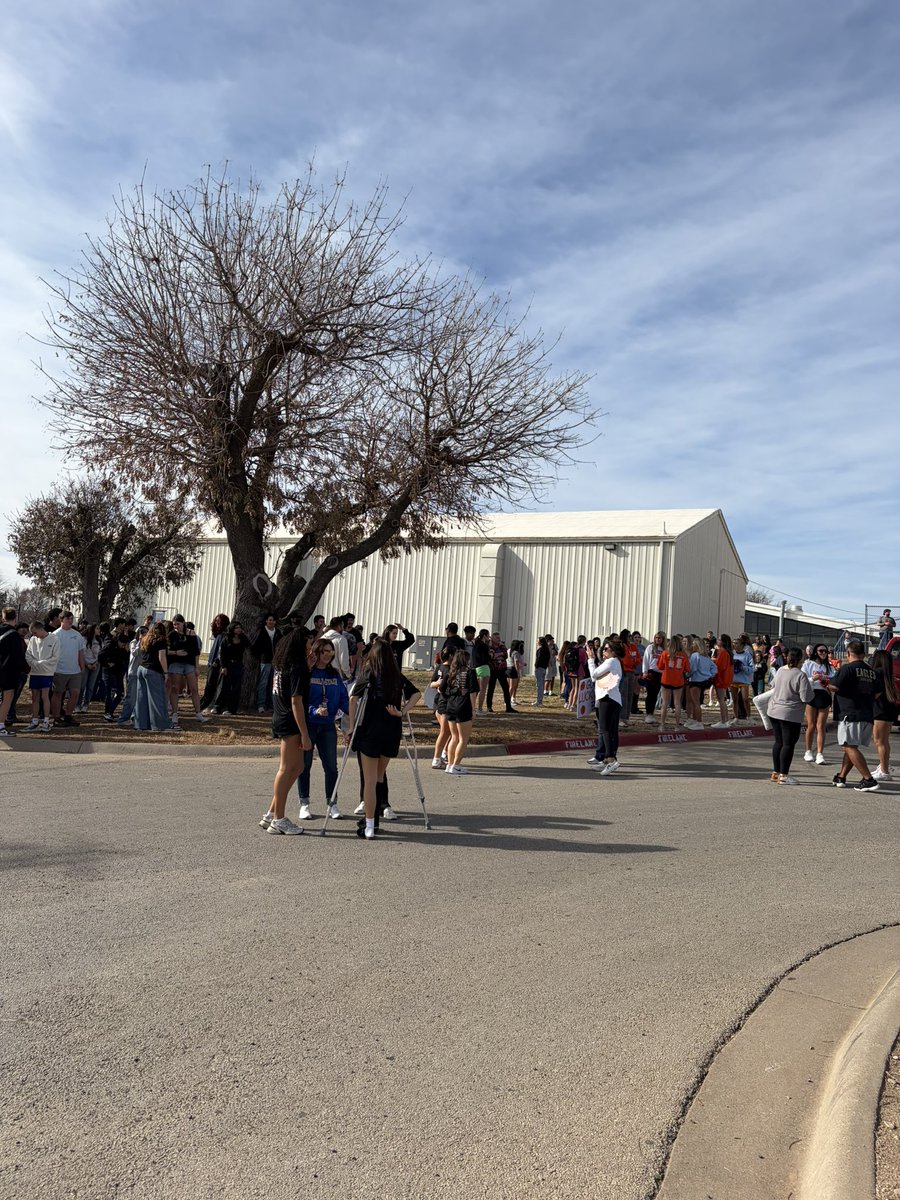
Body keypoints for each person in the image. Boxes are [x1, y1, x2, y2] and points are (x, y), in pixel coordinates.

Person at [348, 639, 420, 839]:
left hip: (371, 730)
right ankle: (375, 821)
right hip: (391, 730)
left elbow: (353, 698)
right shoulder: (397, 675)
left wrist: (352, 725)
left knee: (369, 781)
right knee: (379, 777)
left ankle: (370, 825)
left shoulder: (370, 673)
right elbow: (416, 694)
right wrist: (403, 711)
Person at [259, 628, 312, 835]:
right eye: (308, 643)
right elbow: (296, 701)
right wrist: (305, 734)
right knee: (286, 768)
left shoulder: (284, 665)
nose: (310, 647)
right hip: (290, 721)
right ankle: (278, 819)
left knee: (297, 767)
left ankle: (271, 813)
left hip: (282, 718)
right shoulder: (296, 667)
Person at [296, 639, 349, 821]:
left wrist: (354, 713)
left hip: (327, 726)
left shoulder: (334, 674)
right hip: (309, 724)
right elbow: (300, 700)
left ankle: (332, 803)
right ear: (317, 651)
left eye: (331, 652)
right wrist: (313, 710)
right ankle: (304, 804)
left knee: (331, 768)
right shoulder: (307, 673)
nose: (328, 655)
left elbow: (343, 698)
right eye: (325, 651)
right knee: (304, 766)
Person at [827, 640, 881, 792]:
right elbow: (878, 693)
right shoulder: (872, 672)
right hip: (867, 713)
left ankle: (868, 779)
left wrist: (827, 684)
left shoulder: (847, 669)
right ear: (863, 654)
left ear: (848, 653)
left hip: (850, 713)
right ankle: (841, 776)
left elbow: (834, 686)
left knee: (848, 746)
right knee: (851, 747)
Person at [766, 648, 814, 784]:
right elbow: (806, 697)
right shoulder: (800, 675)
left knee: (778, 742)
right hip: (790, 713)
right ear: (800, 660)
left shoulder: (781, 669)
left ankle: (776, 772)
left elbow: (772, 685)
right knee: (788, 744)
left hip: (774, 710)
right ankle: (784, 775)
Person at [586, 637, 625, 776]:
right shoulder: (614, 662)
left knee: (605, 729)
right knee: (610, 730)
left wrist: (590, 659)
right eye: (603, 649)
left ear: (613, 651)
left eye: (606, 649)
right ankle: (607, 758)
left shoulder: (612, 661)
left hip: (607, 698)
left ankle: (610, 759)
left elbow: (594, 674)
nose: (603, 651)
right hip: (611, 699)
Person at [439, 648, 478, 774]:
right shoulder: (470, 672)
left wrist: (451, 694)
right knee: (463, 739)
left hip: (450, 706)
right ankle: (456, 765)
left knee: (454, 737)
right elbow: (473, 692)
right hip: (463, 706)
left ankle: (450, 765)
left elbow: (441, 689)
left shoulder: (450, 671)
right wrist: (474, 709)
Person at [134, 622, 174, 732]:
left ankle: (141, 724)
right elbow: (162, 657)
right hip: (153, 670)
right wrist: (166, 673)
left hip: (141, 669)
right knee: (157, 699)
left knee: (142, 699)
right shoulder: (160, 641)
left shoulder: (145, 639)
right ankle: (160, 725)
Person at [49, 612, 86, 727]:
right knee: (58, 693)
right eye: (68, 618)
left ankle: (68, 715)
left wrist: (82, 666)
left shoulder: (77, 635)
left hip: (74, 671)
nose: (70, 620)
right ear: (61, 619)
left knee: (75, 693)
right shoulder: (55, 635)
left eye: (72, 618)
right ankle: (56, 717)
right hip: (59, 670)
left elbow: (80, 652)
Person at [23, 620, 59, 733]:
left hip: (46, 673)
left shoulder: (54, 639)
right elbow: (28, 655)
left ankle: (46, 721)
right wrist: (34, 663)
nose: (34, 635)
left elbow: (55, 657)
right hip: (35, 672)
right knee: (35, 697)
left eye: (35, 632)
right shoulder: (33, 640)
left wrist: (42, 663)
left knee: (45, 696)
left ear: (40, 629)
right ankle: (34, 720)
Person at [801, 644, 834, 765]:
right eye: (821, 651)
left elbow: (833, 679)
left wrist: (827, 682)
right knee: (811, 725)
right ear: (816, 652)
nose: (824, 653)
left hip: (824, 695)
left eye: (826, 651)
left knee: (821, 726)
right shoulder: (808, 664)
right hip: (811, 694)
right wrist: (813, 679)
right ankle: (808, 751)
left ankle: (820, 753)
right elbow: (802, 679)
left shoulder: (829, 667)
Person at [871, 649, 899, 782]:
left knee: (879, 741)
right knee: (884, 741)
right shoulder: (888, 674)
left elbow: (875, 693)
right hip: (889, 709)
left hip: (880, 710)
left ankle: (884, 770)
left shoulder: (877, 673)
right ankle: (883, 766)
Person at [213, 621, 250, 715]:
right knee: (223, 687)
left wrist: (244, 635)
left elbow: (250, 645)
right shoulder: (226, 639)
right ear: (232, 629)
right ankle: (217, 707)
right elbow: (221, 654)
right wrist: (223, 666)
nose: (239, 629)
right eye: (237, 628)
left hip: (238, 665)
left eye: (240, 627)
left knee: (235, 688)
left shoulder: (243, 639)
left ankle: (231, 709)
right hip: (227, 665)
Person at [656, 635, 689, 729]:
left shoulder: (665, 653)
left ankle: (662, 724)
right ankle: (677, 725)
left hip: (666, 679)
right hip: (678, 680)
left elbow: (660, 666)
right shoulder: (683, 655)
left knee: (665, 703)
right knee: (677, 703)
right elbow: (687, 669)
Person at [200, 613, 231, 710]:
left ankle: (207, 704)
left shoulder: (223, 635)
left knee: (211, 685)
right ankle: (204, 703)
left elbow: (221, 651)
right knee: (209, 685)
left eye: (219, 621)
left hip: (216, 664)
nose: (217, 623)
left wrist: (216, 661)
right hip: (211, 662)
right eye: (216, 621)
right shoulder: (218, 634)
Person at [252, 614, 282, 713]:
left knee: (274, 684)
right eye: (269, 620)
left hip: (276, 662)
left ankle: (271, 705)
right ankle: (261, 704)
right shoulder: (262, 632)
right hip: (265, 662)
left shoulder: (278, 632)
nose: (271, 622)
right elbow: (255, 646)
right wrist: (260, 657)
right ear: (266, 621)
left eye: (273, 620)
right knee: (263, 683)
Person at [685, 638, 717, 729]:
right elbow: (714, 668)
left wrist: (686, 676)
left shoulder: (695, 655)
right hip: (704, 681)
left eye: (694, 644)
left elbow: (693, 669)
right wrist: (709, 675)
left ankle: (699, 722)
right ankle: (695, 721)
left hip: (695, 680)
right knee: (697, 702)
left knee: (695, 703)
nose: (692, 645)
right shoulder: (706, 657)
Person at [430, 646, 453, 768]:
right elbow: (432, 683)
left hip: (444, 702)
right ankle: (436, 758)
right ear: (450, 656)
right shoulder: (444, 668)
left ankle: (443, 754)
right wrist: (439, 684)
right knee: (444, 732)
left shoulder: (446, 668)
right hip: (442, 702)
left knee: (449, 732)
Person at [710, 634, 736, 728]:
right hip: (725, 678)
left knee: (721, 700)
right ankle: (725, 720)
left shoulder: (723, 652)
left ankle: (723, 720)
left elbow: (719, 667)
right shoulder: (727, 652)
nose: (717, 640)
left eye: (719, 639)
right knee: (722, 700)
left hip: (721, 678)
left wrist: (713, 661)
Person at [641, 632, 666, 723]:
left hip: (661, 673)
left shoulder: (664, 649)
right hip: (651, 672)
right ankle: (648, 713)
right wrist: (645, 672)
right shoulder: (650, 647)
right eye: (656, 638)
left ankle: (652, 712)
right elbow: (645, 660)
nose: (658, 639)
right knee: (650, 693)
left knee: (656, 693)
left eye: (660, 638)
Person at [486, 632, 514, 713]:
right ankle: (489, 707)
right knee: (491, 688)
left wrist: (498, 654)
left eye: (499, 637)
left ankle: (508, 707)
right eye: (497, 638)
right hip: (493, 670)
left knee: (505, 688)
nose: (499, 639)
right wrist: (499, 654)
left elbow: (505, 654)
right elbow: (491, 656)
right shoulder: (489, 647)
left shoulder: (502, 646)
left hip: (501, 670)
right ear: (492, 639)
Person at [730, 634, 754, 725]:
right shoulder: (731, 654)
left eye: (736, 643)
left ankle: (749, 716)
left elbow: (752, 668)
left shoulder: (747, 655)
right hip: (733, 680)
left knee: (745, 699)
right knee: (734, 699)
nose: (734, 645)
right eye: (733, 643)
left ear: (741, 645)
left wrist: (743, 667)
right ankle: (736, 717)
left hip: (744, 680)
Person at [472, 629, 491, 714]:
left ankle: (472, 707)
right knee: (483, 690)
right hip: (483, 668)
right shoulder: (484, 645)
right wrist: (490, 655)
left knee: (475, 690)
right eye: (488, 635)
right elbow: (485, 658)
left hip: (475, 668)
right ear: (485, 636)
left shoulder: (476, 644)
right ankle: (479, 709)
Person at [532, 636, 551, 705]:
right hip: (544, 668)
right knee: (541, 685)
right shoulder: (546, 649)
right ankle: (540, 700)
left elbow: (539, 658)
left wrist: (536, 665)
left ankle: (539, 701)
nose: (537, 642)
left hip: (539, 668)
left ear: (540, 642)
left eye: (537, 641)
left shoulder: (541, 649)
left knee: (539, 685)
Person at [507, 639, 524, 706]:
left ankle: (509, 699)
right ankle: (508, 701)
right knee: (512, 687)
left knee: (509, 686)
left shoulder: (508, 650)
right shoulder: (516, 652)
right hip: (513, 669)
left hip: (508, 668)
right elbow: (516, 662)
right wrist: (517, 672)